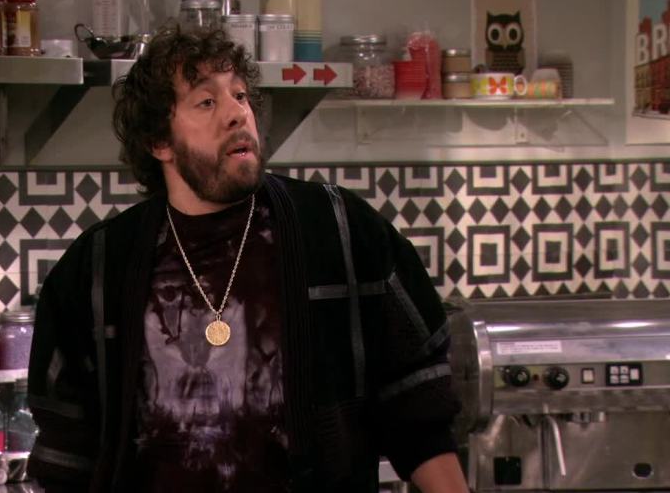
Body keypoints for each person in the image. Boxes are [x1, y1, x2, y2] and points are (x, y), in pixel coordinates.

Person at [27, 26, 469, 493]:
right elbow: (67, 456)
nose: (237, 113)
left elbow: (417, 408)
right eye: (206, 102)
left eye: (239, 95)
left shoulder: (339, 230)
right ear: (159, 141)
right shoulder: (97, 268)